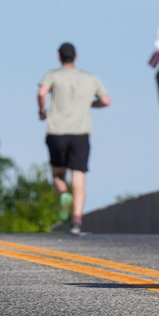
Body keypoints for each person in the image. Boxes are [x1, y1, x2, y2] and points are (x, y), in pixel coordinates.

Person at [38, 42, 111, 234]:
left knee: (57, 175)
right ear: (76, 57)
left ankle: (63, 193)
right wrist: (89, 105)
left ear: (59, 57)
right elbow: (106, 101)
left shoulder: (52, 75)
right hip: (80, 134)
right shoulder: (89, 78)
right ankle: (77, 220)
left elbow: (41, 92)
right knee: (79, 177)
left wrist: (42, 110)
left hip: (57, 133)